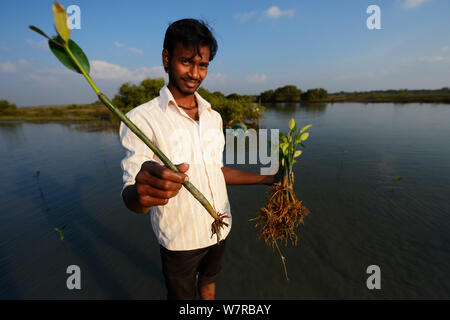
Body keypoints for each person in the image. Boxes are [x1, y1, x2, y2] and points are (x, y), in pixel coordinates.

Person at [120, 18, 275, 300]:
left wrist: (268, 179)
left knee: (209, 282)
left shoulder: (213, 117)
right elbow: (132, 195)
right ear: (167, 59)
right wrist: (141, 195)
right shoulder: (140, 119)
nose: (195, 73)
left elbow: (216, 170)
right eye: (186, 62)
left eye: (202, 65)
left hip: (220, 227)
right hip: (180, 240)